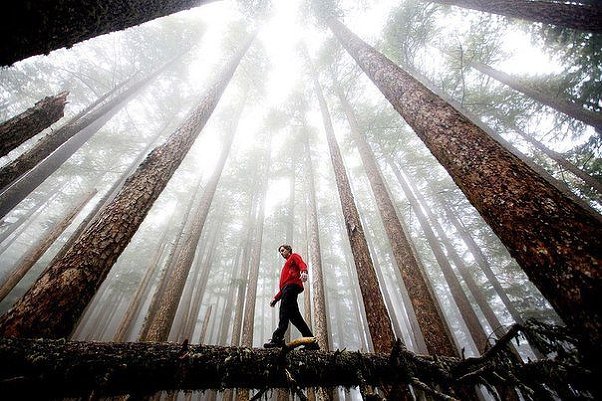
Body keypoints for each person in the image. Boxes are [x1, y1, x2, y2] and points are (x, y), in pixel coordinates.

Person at [263, 244, 319, 349]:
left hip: (291, 288)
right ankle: (312, 343)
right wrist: (276, 298)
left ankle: (277, 339)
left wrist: (303, 272)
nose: (281, 253)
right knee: (296, 318)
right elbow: (283, 287)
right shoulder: (286, 266)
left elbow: (301, 263)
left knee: (283, 312)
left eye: (283, 250)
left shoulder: (294, 256)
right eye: (280, 251)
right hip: (286, 290)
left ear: (288, 250)